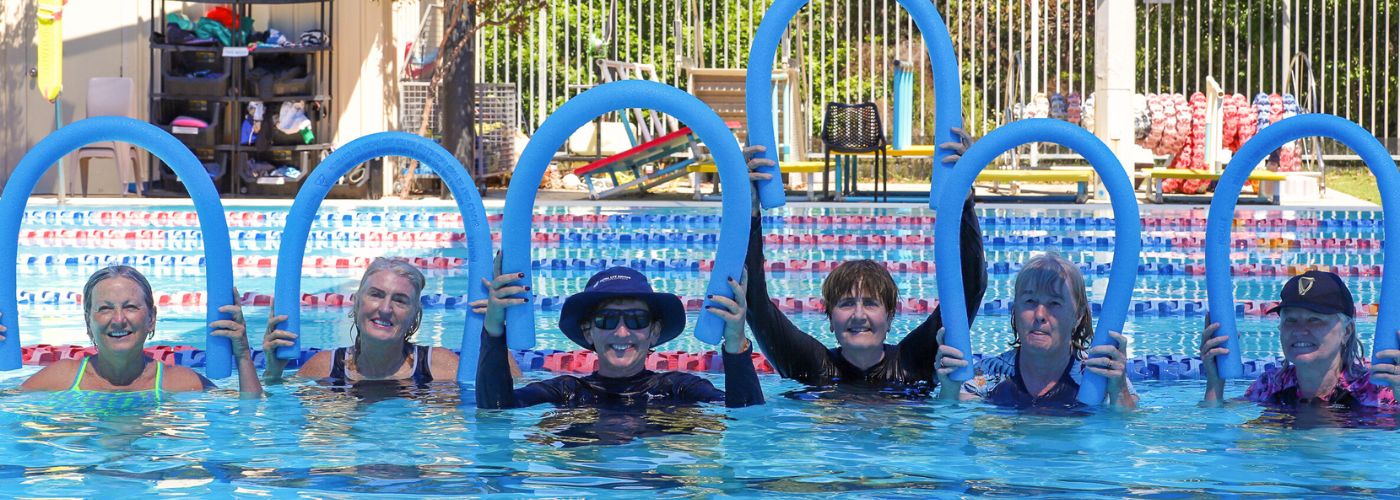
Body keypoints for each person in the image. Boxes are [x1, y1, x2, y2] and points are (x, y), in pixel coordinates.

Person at [739, 132, 987, 392]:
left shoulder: (913, 364)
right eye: (846, 304)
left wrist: (964, 194)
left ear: (890, 317)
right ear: (830, 319)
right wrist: (749, 207)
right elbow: (754, 300)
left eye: (870, 303)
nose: (858, 315)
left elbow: (968, 289)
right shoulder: (810, 367)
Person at [475, 266, 763, 409]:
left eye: (637, 320)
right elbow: (495, 410)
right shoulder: (567, 392)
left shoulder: (679, 390)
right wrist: (493, 330)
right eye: (607, 320)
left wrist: (736, 343)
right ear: (589, 330)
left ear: (655, 331)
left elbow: (746, 417)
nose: (622, 332)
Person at [11, 265, 262, 400]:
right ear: (88, 322)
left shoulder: (180, 383)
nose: (118, 319)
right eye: (105, 309)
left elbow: (250, 414)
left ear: (151, 318)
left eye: (130, 307)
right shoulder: (60, 379)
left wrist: (243, 355)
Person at [935, 253, 1137, 410]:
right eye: (1030, 302)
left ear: (1078, 316)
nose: (1040, 314)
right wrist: (949, 391)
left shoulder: (1100, 376)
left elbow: (1128, 431)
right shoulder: (987, 376)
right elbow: (953, 430)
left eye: (1054, 303)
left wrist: (1119, 393)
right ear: (1015, 310)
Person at [1201, 270, 1397, 409]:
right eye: (1291, 320)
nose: (1300, 331)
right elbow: (1216, 430)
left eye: (1315, 320)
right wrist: (1215, 383)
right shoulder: (1271, 385)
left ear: (1346, 331)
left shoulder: (1379, 388)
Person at [262, 258, 461, 385]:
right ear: (356, 304)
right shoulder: (324, 369)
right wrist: (273, 373)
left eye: (400, 300)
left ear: (414, 316)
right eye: (376, 295)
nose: (385, 309)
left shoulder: (440, 368)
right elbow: (279, 421)